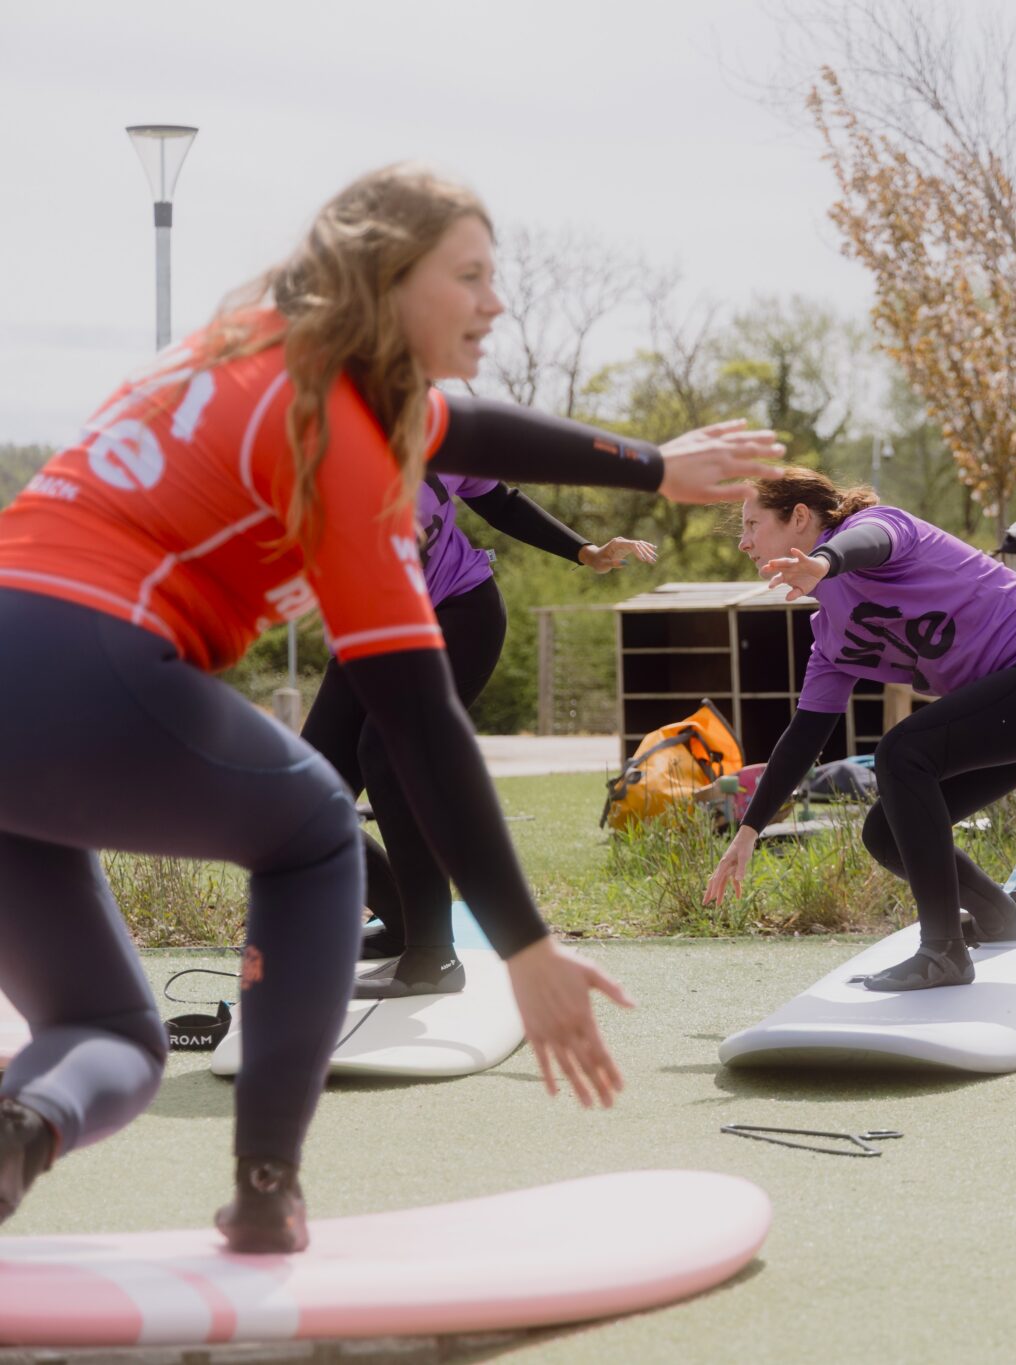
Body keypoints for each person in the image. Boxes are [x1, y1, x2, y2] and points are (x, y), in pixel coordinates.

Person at [0, 163, 783, 1250]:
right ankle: (267, 1189)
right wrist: (524, 947)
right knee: (318, 827)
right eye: (468, 276)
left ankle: (19, 1127)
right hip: (88, 656)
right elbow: (419, 725)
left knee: (110, 1040)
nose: (494, 302)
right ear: (385, 278)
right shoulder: (343, 448)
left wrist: (654, 468)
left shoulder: (241, 344)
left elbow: (465, 428)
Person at [702, 471, 1016, 991]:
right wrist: (749, 831)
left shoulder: (880, 526)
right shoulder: (831, 634)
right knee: (885, 831)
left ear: (800, 517)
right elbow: (805, 735)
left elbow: (867, 543)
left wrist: (824, 562)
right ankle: (999, 917)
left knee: (903, 752)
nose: (743, 541)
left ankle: (942, 952)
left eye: (752, 524)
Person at [304, 461, 656, 997]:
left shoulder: (430, 430)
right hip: (369, 630)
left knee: (390, 754)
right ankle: (402, 928)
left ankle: (432, 957)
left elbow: (499, 498)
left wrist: (584, 551)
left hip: (457, 615)